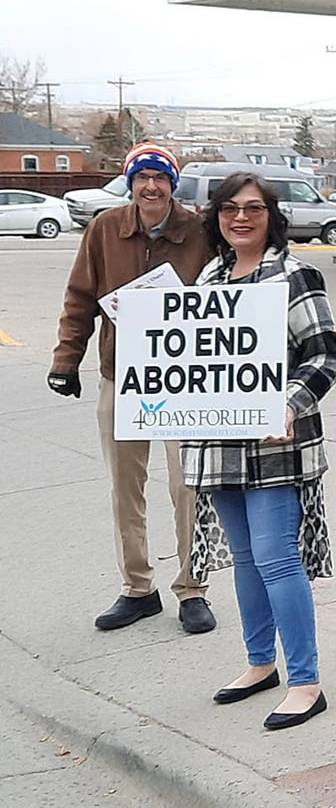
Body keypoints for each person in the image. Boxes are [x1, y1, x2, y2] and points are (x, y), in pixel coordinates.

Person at [182, 172, 336, 731]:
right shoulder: (207, 278)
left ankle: (306, 681)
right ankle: (259, 663)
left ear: (273, 216)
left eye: (253, 208)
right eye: (229, 209)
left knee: (278, 559)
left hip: (276, 445)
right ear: (216, 218)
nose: (241, 218)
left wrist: (290, 405)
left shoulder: (296, 275)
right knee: (245, 560)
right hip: (218, 443)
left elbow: (324, 357)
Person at [48, 142, 217, 634]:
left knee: (189, 485)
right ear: (129, 182)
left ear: (172, 184)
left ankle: (193, 586)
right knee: (126, 487)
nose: (150, 186)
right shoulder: (105, 229)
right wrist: (66, 359)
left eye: (160, 177)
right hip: (121, 375)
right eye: (142, 177)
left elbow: (229, 293)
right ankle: (138, 587)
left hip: (185, 378)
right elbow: (81, 297)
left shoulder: (199, 232)